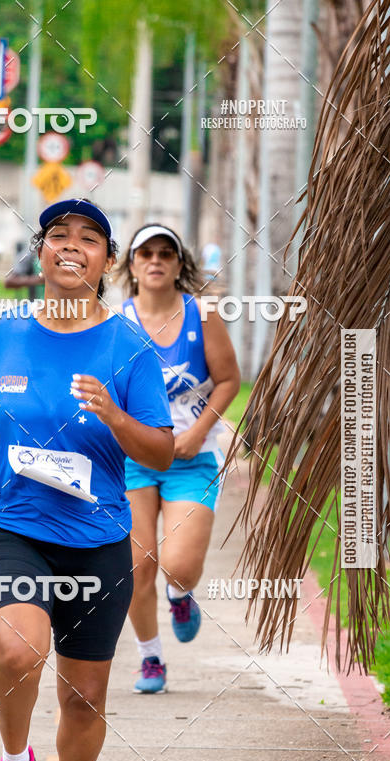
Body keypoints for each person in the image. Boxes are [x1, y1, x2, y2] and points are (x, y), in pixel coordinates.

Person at [0, 199, 174, 761]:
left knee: (84, 698)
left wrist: (113, 416)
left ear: (108, 261)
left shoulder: (129, 347)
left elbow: (162, 452)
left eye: (89, 238)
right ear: (41, 252)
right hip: (14, 525)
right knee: (20, 652)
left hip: (99, 540)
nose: (71, 246)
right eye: (57, 235)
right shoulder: (4, 331)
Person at [115, 224, 240, 693]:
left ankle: (181, 594)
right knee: (136, 565)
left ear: (178, 264)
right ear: (132, 265)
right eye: (145, 253)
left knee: (178, 564)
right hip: (132, 461)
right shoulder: (115, 321)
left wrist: (200, 431)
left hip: (191, 457)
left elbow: (228, 380)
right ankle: (151, 659)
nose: (155, 260)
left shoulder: (201, 314)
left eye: (166, 253)